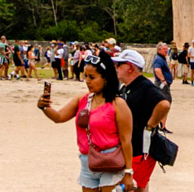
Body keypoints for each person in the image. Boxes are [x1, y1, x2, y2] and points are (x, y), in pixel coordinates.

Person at [38, 49, 134, 192]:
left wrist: (128, 172)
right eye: (85, 76)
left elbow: (126, 140)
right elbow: (59, 117)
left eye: (92, 77)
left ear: (105, 78)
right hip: (87, 162)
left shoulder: (117, 104)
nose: (87, 81)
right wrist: (44, 107)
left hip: (111, 162)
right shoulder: (82, 99)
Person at [113, 49, 169, 192]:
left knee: (134, 185)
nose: (116, 68)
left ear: (130, 67)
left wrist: (150, 126)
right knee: (139, 185)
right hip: (133, 147)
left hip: (141, 148)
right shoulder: (127, 87)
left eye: (119, 65)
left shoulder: (144, 86)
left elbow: (164, 104)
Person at [150, 42, 173, 133]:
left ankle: (162, 125)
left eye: (167, 49)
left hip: (163, 84)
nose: (166, 50)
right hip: (161, 84)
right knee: (165, 103)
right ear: (159, 50)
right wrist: (163, 80)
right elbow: (157, 70)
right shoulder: (159, 59)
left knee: (165, 103)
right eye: (164, 49)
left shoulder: (161, 59)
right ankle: (161, 126)